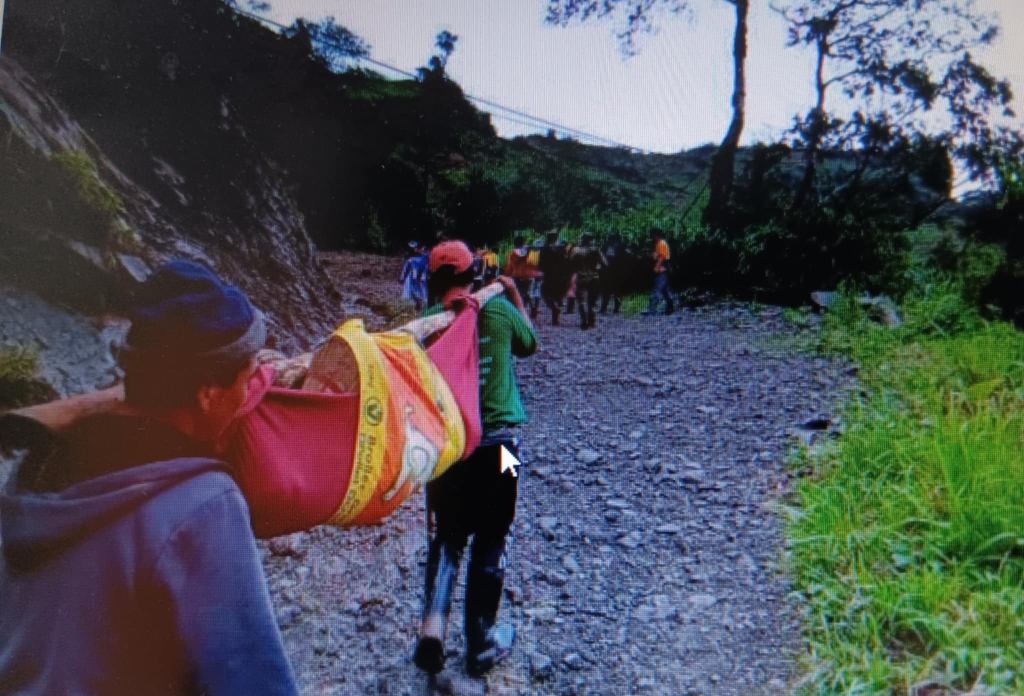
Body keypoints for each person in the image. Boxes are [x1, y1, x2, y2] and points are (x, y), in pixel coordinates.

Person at [0, 261, 298, 696]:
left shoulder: (35, 469)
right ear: (207, 393)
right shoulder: (204, 503)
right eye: (249, 374)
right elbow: (250, 678)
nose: (255, 387)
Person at [413, 241, 538, 678]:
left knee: (447, 536)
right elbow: (531, 343)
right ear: (474, 273)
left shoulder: (429, 325)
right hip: (504, 448)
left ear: (435, 280)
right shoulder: (500, 311)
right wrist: (513, 294)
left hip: (449, 451)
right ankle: (482, 643)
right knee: (495, 534)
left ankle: (434, 628)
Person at [567, 233, 607, 330]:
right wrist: (598, 268)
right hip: (594, 277)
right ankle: (591, 319)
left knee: (581, 300)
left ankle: (584, 320)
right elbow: (605, 264)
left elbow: (569, 264)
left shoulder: (575, 250)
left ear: (582, 239)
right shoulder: (596, 250)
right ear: (591, 240)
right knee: (592, 301)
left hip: (580, 278)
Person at [538, 231, 572, 326]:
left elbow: (540, 263)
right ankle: (555, 319)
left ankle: (554, 309)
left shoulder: (544, 249)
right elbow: (567, 260)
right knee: (557, 295)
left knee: (545, 294)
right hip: (560, 276)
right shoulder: (561, 248)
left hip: (548, 275)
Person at [504, 236, 541, 313]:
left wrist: (507, 275)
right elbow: (534, 263)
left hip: (517, 276)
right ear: (523, 242)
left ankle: (524, 308)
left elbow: (510, 266)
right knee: (527, 293)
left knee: (519, 293)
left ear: (515, 243)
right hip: (528, 276)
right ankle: (531, 308)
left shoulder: (512, 253)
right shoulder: (528, 251)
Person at [645, 228, 675, 315]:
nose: (651, 237)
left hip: (662, 270)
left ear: (657, 235)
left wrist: (656, 267)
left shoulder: (661, 243)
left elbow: (662, 257)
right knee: (665, 290)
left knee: (656, 290)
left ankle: (651, 309)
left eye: (653, 235)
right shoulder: (658, 244)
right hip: (664, 271)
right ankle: (670, 309)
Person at [598, 233, 626, 314]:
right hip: (612, 272)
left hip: (612, 272)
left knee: (608, 291)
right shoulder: (618, 246)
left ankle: (606, 309)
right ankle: (613, 309)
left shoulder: (617, 247)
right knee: (615, 292)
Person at [401, 241, 430, 311]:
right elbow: (406, 269)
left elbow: (405, 269)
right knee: (418, 291)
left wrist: (402, 278)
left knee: (418, 291)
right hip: (418, 277)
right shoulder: (413, 259)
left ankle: (421, 305)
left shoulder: (423, 258)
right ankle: (419, 305)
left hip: (418, 277)